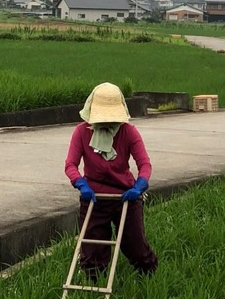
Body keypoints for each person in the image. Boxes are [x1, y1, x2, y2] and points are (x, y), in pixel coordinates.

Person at [64, 82, 157, 276]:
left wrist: (139, 186)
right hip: (94, 199)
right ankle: (92, 291)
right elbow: (70, 165)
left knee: (136, 248)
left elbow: (145, 165)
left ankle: (149, 279)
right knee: (92, 253)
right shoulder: (81, 132)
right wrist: (81, 184)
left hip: (126, 197)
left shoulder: (129, 132)